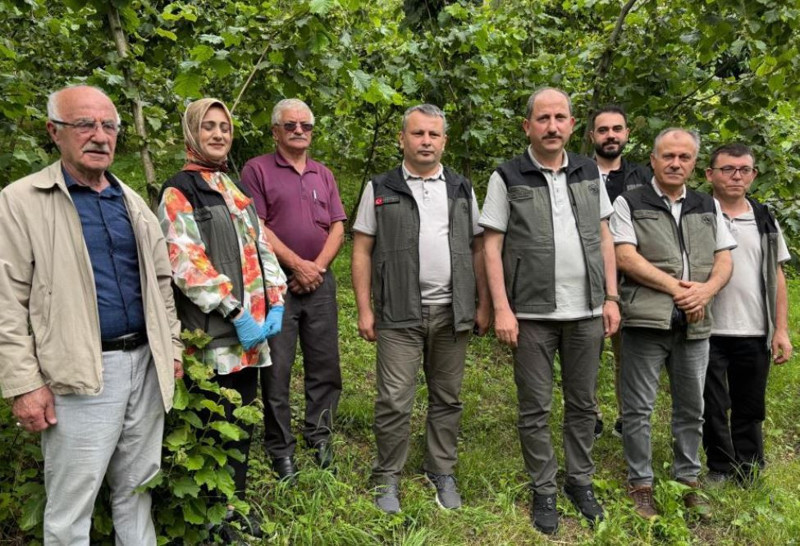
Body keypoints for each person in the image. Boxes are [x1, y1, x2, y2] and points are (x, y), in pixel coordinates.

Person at [0, 85, 183, 544]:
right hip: (78, 374)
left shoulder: (132, 202)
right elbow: (7, 301)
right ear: (54, 132)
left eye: (109, 126)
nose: (99, 136)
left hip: (145, 365)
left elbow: (161, 283)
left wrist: (172, 348)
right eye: (84, 124)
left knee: (137, 489)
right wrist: (24, 384)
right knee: (71, 506)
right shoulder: (22, 201)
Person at [481, 88, 619, 534]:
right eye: (543, 118)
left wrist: (611, 297)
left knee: (583, 404)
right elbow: (492, 243)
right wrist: (502, 308)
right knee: (534, 406)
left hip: (586, 312)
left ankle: (580, 481)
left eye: (560, 117)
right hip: (532, 314)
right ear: (528, 126)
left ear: (572, 125)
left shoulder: (587, 172)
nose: (552, 126)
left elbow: (604, 236)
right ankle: (544, 488)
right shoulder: (508, 175)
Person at [351, 104, 490, 514]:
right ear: (402, 139)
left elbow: (479, 247)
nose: (425, 141)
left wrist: (482, 303)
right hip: (398, 312)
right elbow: (361, 249)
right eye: (417, 134)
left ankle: (440, 470)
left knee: (448, 397)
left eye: (433, 134)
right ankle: (386, 477)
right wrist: (364, 309)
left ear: (444, 140)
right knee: (394, 399)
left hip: (452, 310)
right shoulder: (381, 186)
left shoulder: (462, 188)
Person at [158, 98, 287, 524]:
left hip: (252, 337)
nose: (218, 134)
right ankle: (211, 518)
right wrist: (237, 313)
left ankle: (236, 509)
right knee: (212, 425)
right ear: (192, 133)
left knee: (240, 422)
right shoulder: (180, 190)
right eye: (209, 127)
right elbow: (187, 264)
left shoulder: (231, 188)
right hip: (215, 335)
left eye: (224, 127)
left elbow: (260, 248)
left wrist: (276, 301)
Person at [610, 128, 736, 520]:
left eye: (684, 157)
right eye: (668, 156)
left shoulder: (707, 205)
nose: (675, 163)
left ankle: (687, 481)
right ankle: (641, 485)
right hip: (646, 322)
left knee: (691, 408)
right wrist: (678, 290)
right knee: (637, 409)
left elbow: (724, 259)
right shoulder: (629, 202)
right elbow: (624, 256)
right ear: (652, 159)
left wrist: (705, 292)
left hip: (696, 324)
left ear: (694, 164)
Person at [241, 99, 346, 479]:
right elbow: (257, 226)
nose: (299, 130)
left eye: (306, 125)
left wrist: (315, 267)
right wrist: (296, 265)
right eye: (290, 125)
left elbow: (337, 226)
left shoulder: (323, 174)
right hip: (276, 284)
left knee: (325, 365)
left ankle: (319, 435)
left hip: (319, 282)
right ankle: (279, 447)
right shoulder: (257, 170)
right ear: (275, 132)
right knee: (277, 368)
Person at [702, 143, 792, 484]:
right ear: (710, 174)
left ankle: (749, 467)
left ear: (753, 175)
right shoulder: (699, 212)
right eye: (727, 169)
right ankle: (720, 466)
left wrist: (780, 330)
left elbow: (777, 275)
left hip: (754, 329)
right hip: (708, 328)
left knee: (749, 405)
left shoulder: (764, 217)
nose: (736, 175)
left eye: (744, 169)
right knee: (711, 405)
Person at [588, 104, 652, 439]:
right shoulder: (579, 172)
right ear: (591, 136)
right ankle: (591, 414)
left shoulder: (643, 177)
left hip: (633, 277)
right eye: (603, 130)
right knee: (587, 351)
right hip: (587, 274)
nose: (611, 135)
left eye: (617, 129)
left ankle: (628, 415)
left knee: (629, 353)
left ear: (627, 133)